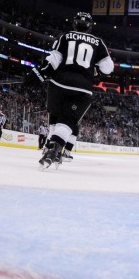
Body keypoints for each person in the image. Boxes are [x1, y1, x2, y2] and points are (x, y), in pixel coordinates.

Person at [31, 12, 114, 168]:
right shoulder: (98, 42)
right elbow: (108, 68)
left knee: (55, 117)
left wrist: (39, 73)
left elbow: (53, 60)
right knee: (68, 120)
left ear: (74, 23)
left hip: (58, 83)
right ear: (90, 26)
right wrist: (96, 67)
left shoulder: (65, 36)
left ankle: (49, 145)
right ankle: (55, 150)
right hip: (82, 88)